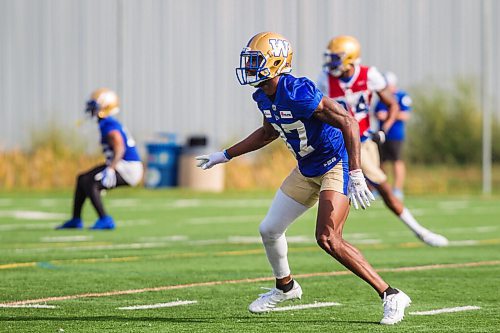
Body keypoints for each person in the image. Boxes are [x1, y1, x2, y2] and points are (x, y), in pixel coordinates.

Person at [196, 32, 411, 325]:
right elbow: (268, 132)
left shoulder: (298, 90)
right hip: (307, 167)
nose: (249, 67)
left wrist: (357, 172)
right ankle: (285, 287)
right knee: (269, 229)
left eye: (255, 61)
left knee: (328, 238)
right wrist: (226, 154)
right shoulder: (262, 94)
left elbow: (348, 120)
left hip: (335, 163)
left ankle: (391, 294)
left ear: (275, 62)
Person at [317, 35, 448, 247]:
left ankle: (420, 231)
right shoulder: (324, 78)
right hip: (335, 141)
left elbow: (393, 104)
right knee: (319, 186)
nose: (331, 63)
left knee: (383, 187)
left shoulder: (369, 75)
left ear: (350, 58)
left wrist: (383, 130)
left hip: (362, 142)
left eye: (336, 58)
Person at [56, 88, 143, 230]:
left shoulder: (108, 124)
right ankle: (76, 219)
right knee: (82, 178)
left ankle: (105, 219)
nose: (91, 109)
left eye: (95, 106)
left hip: (127, 168)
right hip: (123, 165)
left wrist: (111, 168)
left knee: (91, 183)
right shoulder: (107, 123)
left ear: (105, 107)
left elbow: (120, 147)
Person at [375, 72, 411, 200]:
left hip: (395, 134)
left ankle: (397, 189)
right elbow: (375, 112)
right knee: (380, 162)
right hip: (381, 134)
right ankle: (381, 189)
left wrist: (389, 115)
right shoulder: (382, 97)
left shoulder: (401, 96)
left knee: (397, 161)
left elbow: (406, 115)